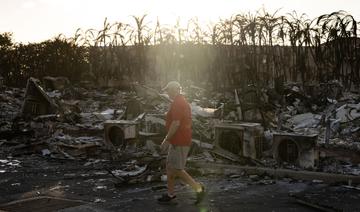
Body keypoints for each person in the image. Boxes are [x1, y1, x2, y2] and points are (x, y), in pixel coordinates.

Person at [157, 81, 205, 204]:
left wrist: (166, 140)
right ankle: (171, 194)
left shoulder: (178, 103)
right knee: (169, 167)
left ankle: (198, 188)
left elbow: (176, 123)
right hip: (177, 140)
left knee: (177, 169)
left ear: (174, 90)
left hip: (179, 140)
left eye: (168, 90)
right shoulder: (179, 101)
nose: (167, 93)